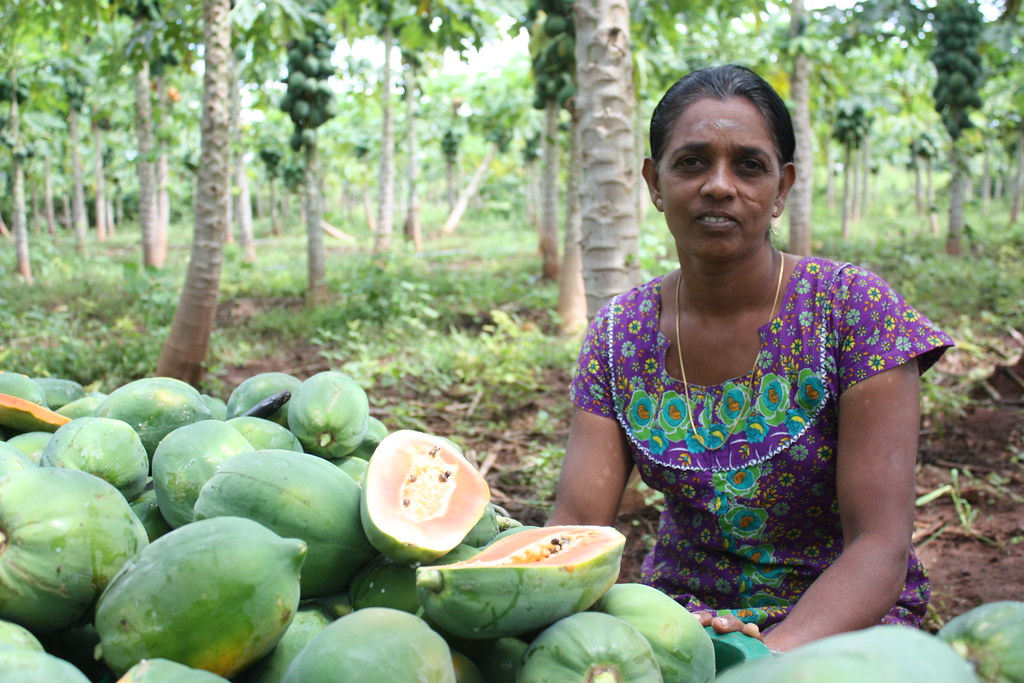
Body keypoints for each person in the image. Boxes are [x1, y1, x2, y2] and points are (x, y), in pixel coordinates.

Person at [547, 64, 953, 653]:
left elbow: (879, 548)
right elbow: (578, 521)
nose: (718, 185)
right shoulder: (618, 335)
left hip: (843, 625)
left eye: (748, 165)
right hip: (682, 622)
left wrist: (769, 660)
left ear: (782, 188)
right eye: (691, 162)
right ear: (653, 182)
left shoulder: (853, 311)